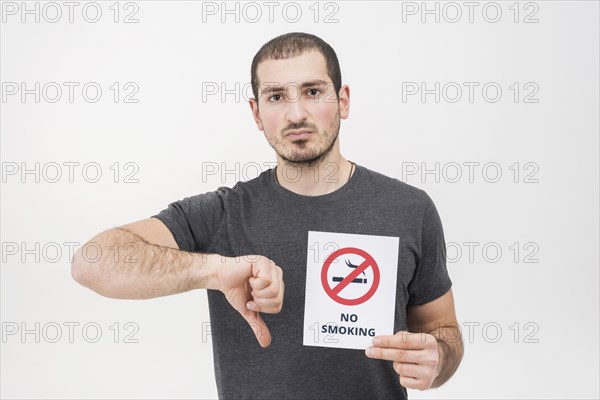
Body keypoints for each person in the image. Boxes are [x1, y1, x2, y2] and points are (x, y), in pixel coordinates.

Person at [71, 32, 464, 399]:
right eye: (276, 97)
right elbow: (91, 263)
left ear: (343, 100)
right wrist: (213, 270)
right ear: (256, 113)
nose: (296, 114)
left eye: (313, 92)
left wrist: (438, 358)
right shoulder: (222, 213)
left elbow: (442, 330)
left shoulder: (410, 208)